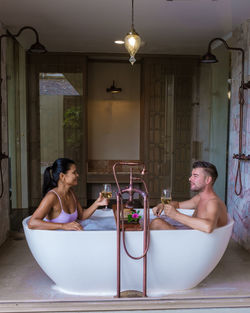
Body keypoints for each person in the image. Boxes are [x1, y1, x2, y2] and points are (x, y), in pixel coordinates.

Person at [28, 158, 108, 230]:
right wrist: (63, 226)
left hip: (69, 238)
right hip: (56, 240)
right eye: (74, 172)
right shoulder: (52, 197)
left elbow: (82, 216)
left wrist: (97, 203)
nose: (77, 175)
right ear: (62, 176)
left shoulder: (71, 192)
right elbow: (32, 223)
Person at [150, 161, 228, 233]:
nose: (190, 179)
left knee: (157, 223)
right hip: (192, 238)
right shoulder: (199, 198)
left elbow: (208, 227)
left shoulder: (213, 202)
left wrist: (175, 215)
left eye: (195, 176)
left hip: (198, 244)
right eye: (191, 175)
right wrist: (162, 205)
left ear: (208, 180)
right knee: (156, 222)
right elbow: (178, 205)